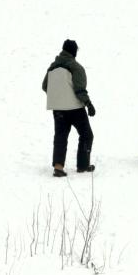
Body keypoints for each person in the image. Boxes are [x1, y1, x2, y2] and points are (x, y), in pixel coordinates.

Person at [42, 38, 95, 177]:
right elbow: (79, 89)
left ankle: (58, 167)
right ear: (73, 51)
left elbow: (44, 86)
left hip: (58, 109)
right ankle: (83, 165)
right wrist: (89, 104)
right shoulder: (75, 67)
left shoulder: (52, 68)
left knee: (60, 137)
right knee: (86, 135)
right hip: (75, 109)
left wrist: (58, 96)